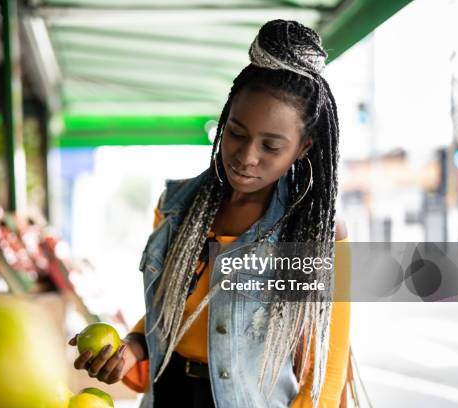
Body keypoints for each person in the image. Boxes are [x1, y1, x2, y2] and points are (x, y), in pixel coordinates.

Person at [69, 19, 354, 407]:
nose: (246, 157)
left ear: (302, 147)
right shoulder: (175, 208)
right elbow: (166, 320)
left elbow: (325, 374)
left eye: (271, 146)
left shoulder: (316, 236)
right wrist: (130, 351)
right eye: (236, 132)